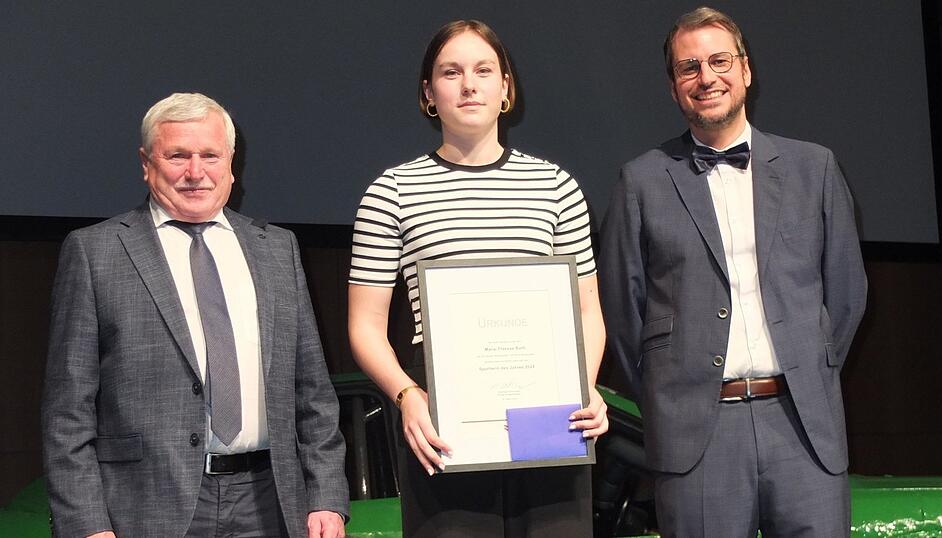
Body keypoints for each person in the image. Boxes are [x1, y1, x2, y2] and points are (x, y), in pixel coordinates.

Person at [598, 6, 867, 536]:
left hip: (802, 426)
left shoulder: (814, 169)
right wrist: (670, 396)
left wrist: (809, 369)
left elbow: (847, 295)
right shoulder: (641, 182)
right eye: (689, 67)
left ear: (746, 70)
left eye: (719, 61)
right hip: (698, 436)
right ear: (674, 86)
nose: (706, 77)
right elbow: (623, 315)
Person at [41, 92, 348, 538]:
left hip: (272, 501)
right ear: (146, 163)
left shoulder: (277, 250)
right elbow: (67, 411)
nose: (195, 172)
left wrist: (326, 496)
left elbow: (313, 391)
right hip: (144, 506)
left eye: (210, 155)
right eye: (178, 156)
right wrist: (85, 524)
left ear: (231, 163)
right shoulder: (95, 252)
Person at [348, 20, 608, 537]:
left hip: (549, 411)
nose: (469, 84)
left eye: (483, 70)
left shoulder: (555, 186)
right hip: (443, 416)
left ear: (506, 88)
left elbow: (587, 313)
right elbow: (364, 326)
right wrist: (407, 396)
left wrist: (583, 387)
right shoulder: (392, 191)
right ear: (428, 93)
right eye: (451, 71)